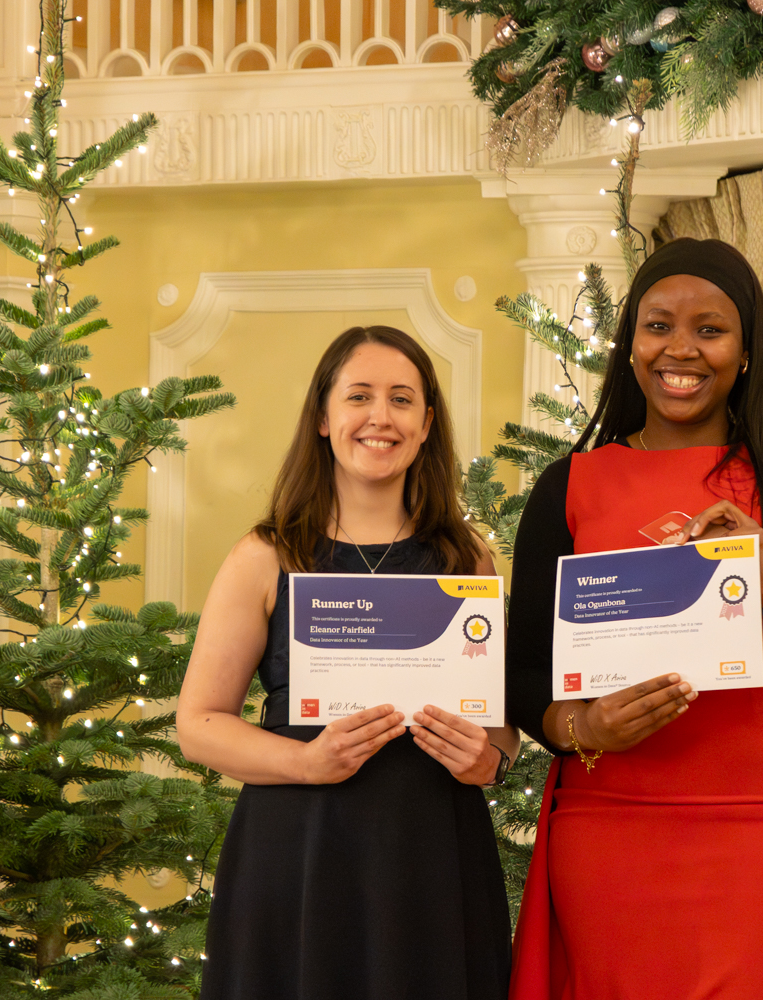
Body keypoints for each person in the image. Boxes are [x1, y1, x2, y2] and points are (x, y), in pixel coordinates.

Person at [504, 239, 763, 1000]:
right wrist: (582, 728)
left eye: (710, 330)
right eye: (658, 326)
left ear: (746, 351)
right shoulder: (569, 486)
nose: (680, 349)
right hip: (609, 822)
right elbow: (520, 671)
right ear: (630, 345)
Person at [177, 325, 519, 1000]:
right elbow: (198, 724)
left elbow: (499, 726)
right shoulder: (266, 556)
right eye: (359, 396)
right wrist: (307, 762)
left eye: (401, 399)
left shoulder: (466, 558)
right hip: (299, 853)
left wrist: (490, 761)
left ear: (426, 424)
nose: (380, 417)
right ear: (323, 418)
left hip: (433, 854)